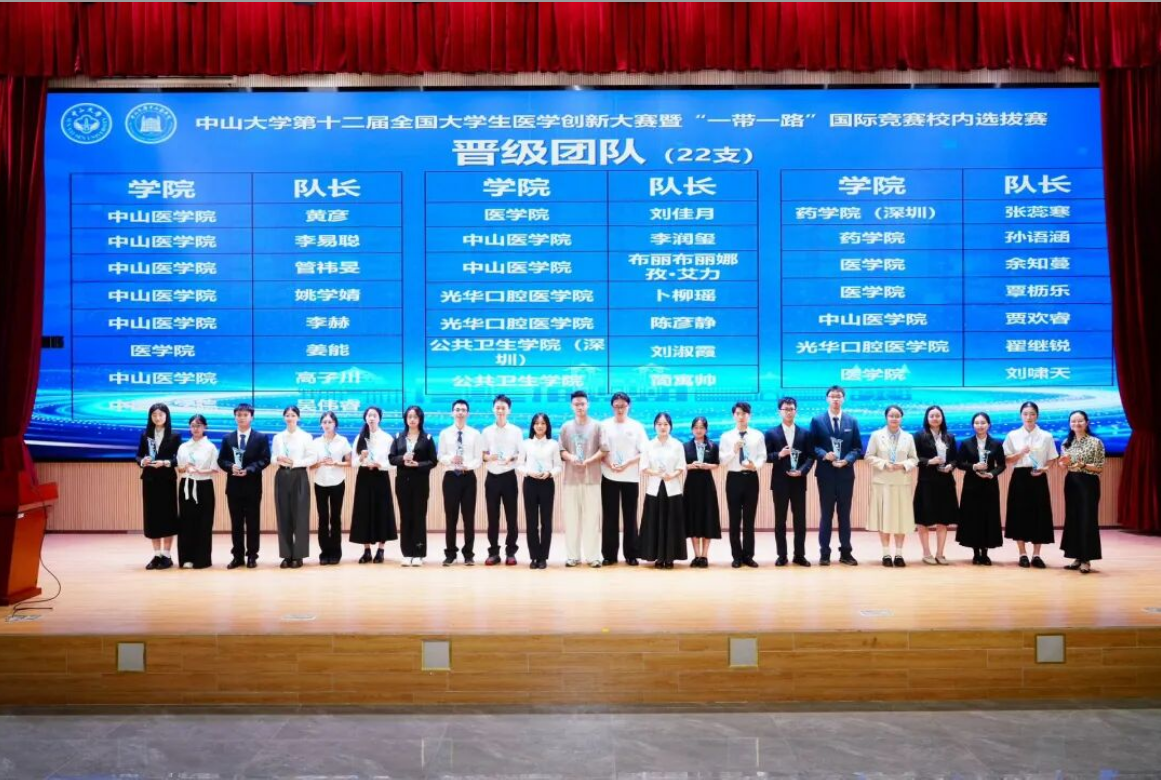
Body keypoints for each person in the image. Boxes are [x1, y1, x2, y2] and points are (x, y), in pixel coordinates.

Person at [810, 385, 862, 565]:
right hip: (825, 474)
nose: (835, 399)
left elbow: (857, 448)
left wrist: (847, 460)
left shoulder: (852, 421)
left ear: (843, 399)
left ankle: (846, 552)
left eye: (838, 396)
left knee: (844, 514)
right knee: (826, 514)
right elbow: (813, 446)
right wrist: (825, 455)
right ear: (827, 399)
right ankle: (824, 553)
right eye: (832, 396)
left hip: (845, 474)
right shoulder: (817, 420)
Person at [1003, 401, 1058, 568]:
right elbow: (1007, 459)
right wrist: (1020, 453)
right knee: (1019, 513)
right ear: (1021, 416)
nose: (1029, 417)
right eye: (1025, 414)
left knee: (1039, 514)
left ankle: (1036, 555)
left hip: (1038, 477)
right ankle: (1022, 554)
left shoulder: (1046, 436)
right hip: (1020, 477)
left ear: (1037, 416)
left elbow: (1052, 458)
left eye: (1032, 414)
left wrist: (1045, 469)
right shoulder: (1013, 435)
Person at [865, 405, 919, 567]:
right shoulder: (876, 435)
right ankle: (886, 554)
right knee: (885, 519)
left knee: (900, 519)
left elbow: (914, 459)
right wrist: (884, 463)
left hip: (901, 482)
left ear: (901, 418)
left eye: (897, 416)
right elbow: (868, 456)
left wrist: (903, 465)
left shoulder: (908, 437)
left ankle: (899, 554)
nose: (894, 418)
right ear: (886, 417)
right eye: (891, 415)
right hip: (883, 483)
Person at [218, 402, 270, 569]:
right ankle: (237, 556)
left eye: (245, 415)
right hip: (233, 486)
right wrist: (230, 467)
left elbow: (265, 459)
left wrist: (249, 469)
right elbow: (221, 460)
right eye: (239, 415)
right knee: (236, 523)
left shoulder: (260, 437)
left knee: (253, 522)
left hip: (252, 485)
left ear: (251, 417)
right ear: (235, 417)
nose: (241, 418)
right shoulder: (228, 438)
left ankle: (252, 555)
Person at [599, 392, 648, 566]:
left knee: (630, 516)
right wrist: (608, 462)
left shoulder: (637, 426)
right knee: (609, 516)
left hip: (630, 477)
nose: (620, 409)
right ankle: (609, 555)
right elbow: (600, 450)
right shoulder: (604, 425)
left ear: (629, 406)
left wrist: (627, 463)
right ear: (612, 407)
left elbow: (644, 452)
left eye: (623, 406)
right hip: (609, 475)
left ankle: (631, 554)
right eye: (617, 406)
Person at [765, 397, 814, 567]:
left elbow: (810, 456)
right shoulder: (771, 433)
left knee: (800, 520)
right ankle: (782, 555)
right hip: (780, 482)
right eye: (785, 409)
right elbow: (765, 456)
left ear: (796, 411)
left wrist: (802, 471)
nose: (788, 412)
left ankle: (799, 555)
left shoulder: (805, 433)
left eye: (791, 409)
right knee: (780, 520)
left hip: (799, 481)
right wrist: (779, 455)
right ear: (779, 411)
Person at [559, 390, 605, 568]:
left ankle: (593, 557)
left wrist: (589, 460)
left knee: (592, 519)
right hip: (570, 480)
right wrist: (571, 457)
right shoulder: (565, 427)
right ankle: (573, 556)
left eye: (582, 404)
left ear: (588, 405)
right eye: (576, 404)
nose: (580, 407)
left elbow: (604, 449)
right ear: (572, 406)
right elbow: (561, 450)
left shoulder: (597, 426)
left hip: (592, 479)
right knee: (571, 520)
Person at [719, 401, 766, 568]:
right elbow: (722, 460)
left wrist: (756, 465)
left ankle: (748, 555)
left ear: (749, 416)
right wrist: (733, 450)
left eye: (744, 413)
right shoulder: (726, 436)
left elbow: (762, 456)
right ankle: (736, 556)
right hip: (734, 478)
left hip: (751, 478)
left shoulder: (758, 435)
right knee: (734, 519)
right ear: (733, 416)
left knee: (749, 520)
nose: (741, 416)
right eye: (738, 413)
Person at [955, 412, 1006, 565]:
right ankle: (976, 553)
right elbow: (959, 463)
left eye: (983, 422)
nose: (980, 425)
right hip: (971, 486)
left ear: (989, 425)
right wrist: (974, 466)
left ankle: (985, 553)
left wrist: (992, 473)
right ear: (973, 425)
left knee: (988, 517)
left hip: (989, 485)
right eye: (977, 423)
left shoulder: (996, 443)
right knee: (973, 518)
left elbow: (1002, 465)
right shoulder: (966, 443)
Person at [638, 412, 688, 569]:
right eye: (659, 424)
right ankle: (658, 558)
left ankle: (670, 557)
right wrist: (657, 473)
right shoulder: (648, 445)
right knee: (655, 523)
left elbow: (681, 466)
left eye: (666, 424)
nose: (662, 427)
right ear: (654, 426)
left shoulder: (677, 445)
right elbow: (643, 467)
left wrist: (671, 475)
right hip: (654, 488)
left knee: (672, 523)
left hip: (672, 488)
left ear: (670, 426)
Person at [1058, 410, 1105, 574]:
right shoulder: (1066, 442)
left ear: (1087, 422)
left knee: (1087, 519)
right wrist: (1063, 463)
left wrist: (1082, 464)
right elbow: (1064, 465)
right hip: (1071, 482)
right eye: (1073, 421)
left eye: (1080, 421)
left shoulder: (1095, 442)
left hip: (1088, 483)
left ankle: (1086, 559)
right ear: (1069, 424)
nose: (1076, 424)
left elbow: (1099, 467)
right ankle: (1076, 556)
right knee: (1073, 519)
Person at [271, 405, 317, 569]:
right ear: (284, 418)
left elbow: (312, 458)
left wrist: (294, 462)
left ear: (298, 417)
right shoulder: (278, 437)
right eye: (287, 415)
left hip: (299, 475)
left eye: (293, 415)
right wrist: (278, 459)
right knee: (283, 515)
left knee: (300, 516)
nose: (290, 418)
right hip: (282, 475)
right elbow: (272, 457)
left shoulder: (306, 436)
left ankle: (299, 555)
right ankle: (286, 555)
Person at [390, 405, 437, 567]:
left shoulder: (428, 438)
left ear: (420, 419)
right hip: (402, 482)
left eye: (415, 417)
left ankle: (418, 553)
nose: (412, 419)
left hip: (420, 483)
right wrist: (403, 458)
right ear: (405, 419)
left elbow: (433, 461)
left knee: (419, 516)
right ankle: (407, 553)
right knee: (405, 517)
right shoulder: (398, 437)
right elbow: (391, 459)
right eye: (409, 416)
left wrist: (418, 464)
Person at [438, 399, 483, 566]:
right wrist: (451, 459)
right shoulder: (444, 433)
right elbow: (440, 456)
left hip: (468, 477)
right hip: (450, 477)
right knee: (451, 517)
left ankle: (468, 554)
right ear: (452, 413)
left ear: (468, 413)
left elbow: (478, 459)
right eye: (457, 409)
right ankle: (450, 553)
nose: (460, 412)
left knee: (469, 517)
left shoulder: (475, 434)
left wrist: (467, 466)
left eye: (463, 410)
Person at [136, 402, 181, 570]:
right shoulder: (145, 435)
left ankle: (167, 555)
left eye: (160, 414)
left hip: (167, 480)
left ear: (166, 416)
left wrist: (166, 462)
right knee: (152, 516)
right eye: (154, 415)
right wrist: (143, 461)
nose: (157, 418)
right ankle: (156, 554)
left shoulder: (175, 435)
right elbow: (138, 455)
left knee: (168, 516)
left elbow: (179, 459)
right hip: (150, 480)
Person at [349, 406, 396, 564]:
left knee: (382, 512)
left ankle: (381, 550)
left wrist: (380, 465)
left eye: (374, 415)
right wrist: (362, 458)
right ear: (365, 418)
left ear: (379, 418)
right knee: (363, 512)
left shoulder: (387, 438)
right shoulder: (360, 437)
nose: (371, 418)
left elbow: (393, 463)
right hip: (364, 477)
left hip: (380, 476)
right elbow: (353, 463)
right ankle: (366, 550)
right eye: (369, 415)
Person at [913, 405, 958, 565]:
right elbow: (914, 457)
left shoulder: (949, 436)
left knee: (943, 519)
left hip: (945, 482)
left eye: (938, 415)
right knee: (923, 518)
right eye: (931, 416)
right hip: (926, 482)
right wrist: (929, 461)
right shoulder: (919, 436)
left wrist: (951, 466)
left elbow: (955, 459)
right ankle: (926, 553)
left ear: (942, 418)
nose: (935, 418)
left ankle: (940, 553)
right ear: (927, 418)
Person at [481, 394, 523, 566]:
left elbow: (521, 454)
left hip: (509, 476)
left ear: (509, 410)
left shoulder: (516, 431)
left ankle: (511, 552)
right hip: (492, 477)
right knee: (492, 517)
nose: (500, 411)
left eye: (503, 408)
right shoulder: (486, 431)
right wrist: (489, 457)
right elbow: (482, 454)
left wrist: (511, 458)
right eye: (497, 407)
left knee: (512, 517)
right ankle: (493, 552)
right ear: (493, 409)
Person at [518, 412, 562, 569]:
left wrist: (549, 473)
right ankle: (534, 557)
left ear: (547, 426)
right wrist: (528, 472)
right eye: (536, 423)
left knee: (546, 522)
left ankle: (543, 557)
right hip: (530, 482)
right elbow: (519, 464)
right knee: (531, 522)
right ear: (532, 426)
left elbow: (558, 466)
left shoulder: (553, 444)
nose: (540, 426)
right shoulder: (526, 443)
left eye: (543, 423)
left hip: (547, 483)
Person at [175, 414, 218, 569]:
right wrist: (185, 467)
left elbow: (214, 469)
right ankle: (186, 558)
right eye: (193, 425)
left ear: (205, 427)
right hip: (186, 485)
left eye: (199, 425)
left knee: (204, 523)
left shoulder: (210, 447)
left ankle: (202, 559)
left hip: (204, 485)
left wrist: (200, 471)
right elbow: (179, 468)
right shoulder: (183, 446)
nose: (196, 428)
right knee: (186, 522)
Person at [312, 412, 351, 566]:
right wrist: (320, 462)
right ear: (321, 424)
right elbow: (310, 466)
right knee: (322, 518)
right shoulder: (315, 442)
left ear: (335, 424)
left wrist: (336, 463)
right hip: (320, 482)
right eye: (324, 422)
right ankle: (324, 552)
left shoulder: (342, 441)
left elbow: (349, 462)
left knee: (335, 517)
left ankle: (335, 553)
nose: (327, 425)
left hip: (337, 482)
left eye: (330, 422)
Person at [683, 416, 721, 568]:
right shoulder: (685, 446)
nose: (699, 430)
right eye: (696, 427)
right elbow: (680, 465)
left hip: (707, 485)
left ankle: (704, 556)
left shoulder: (713, 445)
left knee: (707, 518)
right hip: (691, 485)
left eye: (702, 427)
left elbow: (717, 464)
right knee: (693, 518)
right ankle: (696, 555)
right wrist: (690, 466)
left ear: (706, 429)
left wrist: (707, 466)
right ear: (692, 429)